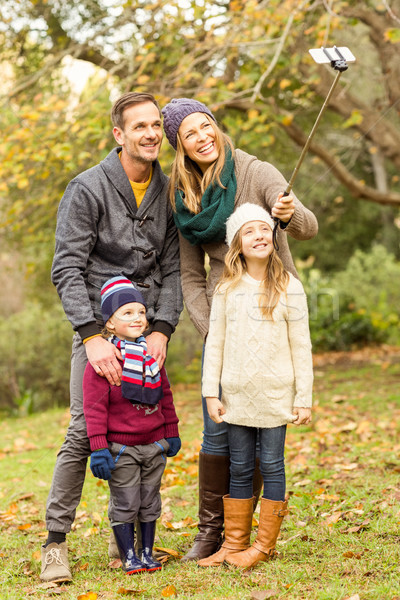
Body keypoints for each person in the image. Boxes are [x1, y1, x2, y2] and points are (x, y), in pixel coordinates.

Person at [161, 98, 318, 561]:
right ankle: (217, 536)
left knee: (265, 433)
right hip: (224, 314)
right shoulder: (183, 197)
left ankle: (256, 540)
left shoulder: (255, 171)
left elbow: (306, 227)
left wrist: (288, 212)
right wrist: (214, 331)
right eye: (190, 133)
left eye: (205, 125)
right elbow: (191, 276)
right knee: (218, 433)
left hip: (270, 305)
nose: (202, 136)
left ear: (216, 126)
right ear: (181, 145)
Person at [40, 92, 183, 583]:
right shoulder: (87, 188)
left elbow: (173, 268)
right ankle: (55, 543)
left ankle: (128, 537)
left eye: (155, 126)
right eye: (138, 126)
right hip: (98, 331)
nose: (150, 134)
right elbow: (66, 267)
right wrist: (91, 336)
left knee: (144, 429)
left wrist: (162, 328)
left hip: (148, 333)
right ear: (119, 134)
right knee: (84, 432)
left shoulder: (169, 189)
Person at [198, 203, 313, 568]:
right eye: (249, 232)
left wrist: (304, 398)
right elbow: (214, 341)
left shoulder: (289, 286)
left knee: (271, 464)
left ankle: (263, 546)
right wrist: (211, 392)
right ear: (237, 244)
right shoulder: (227, 288)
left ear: (274, 237)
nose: (259, 236)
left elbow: (301, 346)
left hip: (276, 396)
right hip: (236, 396)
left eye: (264, 229)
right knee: (240, 468)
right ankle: (234, 544)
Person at [83, 276, 180, 574]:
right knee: (125, 503)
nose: (138, 318)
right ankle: (128, 555)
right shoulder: (104, 363)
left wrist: (171, 432)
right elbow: (94, 410)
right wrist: (99, 448)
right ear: (109, 323)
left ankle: (147, 552)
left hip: (153, 445)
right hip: (121, 449)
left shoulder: (151, 359)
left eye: (140, 312)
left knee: (150, 501)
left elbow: (165, 396)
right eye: (127, 313)